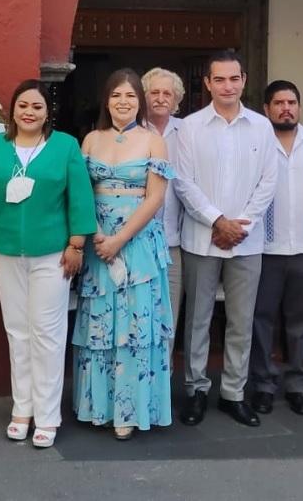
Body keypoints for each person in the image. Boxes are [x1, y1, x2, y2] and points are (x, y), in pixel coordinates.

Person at [0, 80, 96, 449]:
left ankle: (48, 416)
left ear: (47, 112)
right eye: (23, 105)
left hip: (52, 254)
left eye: (37, 107)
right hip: (4, 252)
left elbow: (80, 197)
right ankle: (22, 409)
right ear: (12, 109)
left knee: (48, 335)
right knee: (17, 332)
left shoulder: (65, 146)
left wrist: (76, 244)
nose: (29, 112)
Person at [172, 50, 279, 428]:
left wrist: (239, 226)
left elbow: (269, 182)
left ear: (244, 81)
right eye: (219, 79)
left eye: (234, 79)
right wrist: (218, 220)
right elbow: (183, 182)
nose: (227, 86)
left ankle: (233, 392)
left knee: (241, 321)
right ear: (207, 83)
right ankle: (196, 389)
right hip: (201, 239)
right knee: (197, 319)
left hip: (246, 243)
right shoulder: (190, 127)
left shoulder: (262, 127)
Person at [72, 69, 173, 440]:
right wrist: (98, 236)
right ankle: (98, 406)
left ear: (140, 102)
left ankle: (130, 410)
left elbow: (155, 198)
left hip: (138, 243)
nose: (123, 102)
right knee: (100, 326)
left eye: (130, 96)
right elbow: (81, 193)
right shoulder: (90, 140)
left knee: (134, 328)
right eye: (116, 96)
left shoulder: (153, 140)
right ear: (106, 101)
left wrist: (119, 240)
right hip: (98, 242)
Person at [249, 80, 303, 418]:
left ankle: (298, 385)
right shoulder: (255, 141)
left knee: (302, 321)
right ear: (266, 109)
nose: (286, 108)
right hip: (263, 248)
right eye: (278, 103)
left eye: (292, 102)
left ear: (299, 106)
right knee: (261, 320)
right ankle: (263, 385)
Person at [142, 66, 185, 353]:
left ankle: (164, 383)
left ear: (177, 99)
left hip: (173, 241)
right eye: (154, 92)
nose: (160, 98)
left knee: (169, 316)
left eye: (166, 93)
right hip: (137, 240)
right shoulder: (131, 132)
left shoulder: (188, 132)